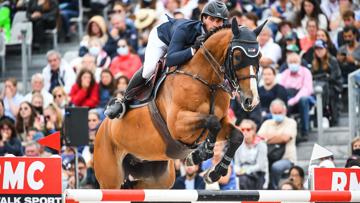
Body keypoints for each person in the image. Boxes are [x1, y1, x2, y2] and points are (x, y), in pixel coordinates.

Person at [104, 0, 229, 119]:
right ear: (204, 18)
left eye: (219, 21)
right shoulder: (185, 30)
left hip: (179, 46)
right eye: (212, 19)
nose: (215, 25)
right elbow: (170, 59)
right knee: (149, 69)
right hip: (162, 39)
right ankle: (123, 100)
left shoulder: (219, 36)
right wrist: (193, 49)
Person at [258, 99, 297, 189]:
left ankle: (273, 190)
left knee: (276, 167)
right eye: (275, 113)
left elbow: (285, 138)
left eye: (280, 112)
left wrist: (267, 138)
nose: (277, 114)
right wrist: (278, 137)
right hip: (267, 157)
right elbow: (259, 138)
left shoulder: (291, 122)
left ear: (285, 111)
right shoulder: (266, 123)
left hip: (287, 159)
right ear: (271, 112)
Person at [279, 53, 313, 139]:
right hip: (288, 97)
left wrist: (293, 101)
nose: (293, 64)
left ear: (299, 62)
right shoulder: (285, 74)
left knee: (303, 100)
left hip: (301, 98)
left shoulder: (306, 72)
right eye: (291, 62)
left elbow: (306, 89)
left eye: (295, 61)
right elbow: (280, 89)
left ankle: (305, 131)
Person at [311, 39, 342, 126]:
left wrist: (322, 77)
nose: (318, 51)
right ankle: (318, 119)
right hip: (318, 87)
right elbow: (312, 77)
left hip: (333, 87)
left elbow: (333, 77)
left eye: (321, 49)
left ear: (325, 49)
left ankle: (330, 117)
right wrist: (324, 76)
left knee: (327, 91)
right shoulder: (314, 62)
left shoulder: (332, 61)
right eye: (317, 49)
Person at [234, 119, 268, 189]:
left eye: (248, 129)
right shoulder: (238, 144)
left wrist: (245, 171)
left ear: (254, 131)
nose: (245, 132)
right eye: (242, 129)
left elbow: (260, 166)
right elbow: (237, 163)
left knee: (242, 179)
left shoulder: (261, 144)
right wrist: (238, 170)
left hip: (258, 175)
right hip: (242, 174)